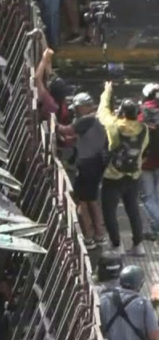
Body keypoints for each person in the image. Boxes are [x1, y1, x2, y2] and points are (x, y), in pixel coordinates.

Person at [98, 81, 148, 255]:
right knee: (133, 210)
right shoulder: (143, 129)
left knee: (109, 211)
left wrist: (107, 91)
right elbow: (142, 149)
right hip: (134, 176)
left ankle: (116, 245)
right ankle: (138, 246)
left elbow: (102, 113)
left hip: (113, 176)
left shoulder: (114, 126)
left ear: (122, 112)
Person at [70, 92, 108, 245]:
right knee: (91, 200)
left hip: (87, 166)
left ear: (86, 106)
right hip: (96, 165)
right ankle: (98, 234)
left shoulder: (87, 120)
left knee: (84, 202)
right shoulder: (97, 119)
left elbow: (68, 132)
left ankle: (90, 234)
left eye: (78, 108)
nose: (76, 111)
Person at [138, 83, 159, 241]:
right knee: (157, 197)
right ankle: (154, 228)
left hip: (145, 162)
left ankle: (157, 225)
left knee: (147, 197)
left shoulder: (141, 112)